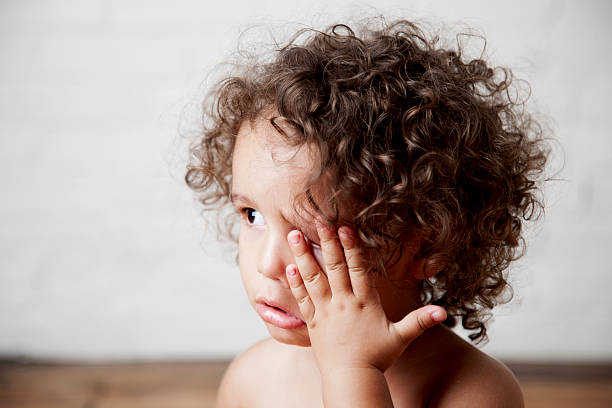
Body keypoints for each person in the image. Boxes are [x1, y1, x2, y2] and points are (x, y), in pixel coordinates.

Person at [186, 18, 549, 407]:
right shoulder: (253, 380)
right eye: (252, 215)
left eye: (312, 235)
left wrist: (353, 374)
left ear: (427, 245)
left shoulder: (476, 392)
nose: (268, 264)